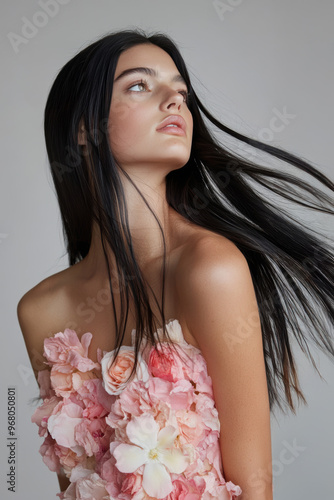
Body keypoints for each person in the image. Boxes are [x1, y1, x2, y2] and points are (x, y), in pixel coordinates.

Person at [16, 28, 334, 500]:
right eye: (140, 85)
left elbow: (255, 489)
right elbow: (73, 485)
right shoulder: (41, 310)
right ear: (84, 129)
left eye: (181, 91)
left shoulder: (211, 269)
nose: (175, 101)